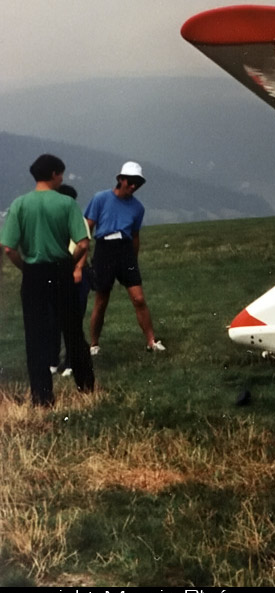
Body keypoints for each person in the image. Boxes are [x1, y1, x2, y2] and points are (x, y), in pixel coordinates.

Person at [0, 154, 95, 406]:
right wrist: (71, 262)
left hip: (33, 273)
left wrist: (25, 267)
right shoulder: (66, 203)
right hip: (61, 269)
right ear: (54, 174)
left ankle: (42, 396)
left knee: (36, 336)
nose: (62, 178)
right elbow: (83, 243)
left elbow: (8, 247)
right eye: (61, 174)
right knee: (73, 330)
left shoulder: (19, 204)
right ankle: (86, 388)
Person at [84, 161, 165, 353]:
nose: (133, 187)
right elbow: (88, 226)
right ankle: (94, 344)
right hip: (104, 249)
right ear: (121, 179)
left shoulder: (138, 208)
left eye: (137, 183)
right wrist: (84, 254)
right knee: (101, 300)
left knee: (138, 299)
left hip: (125, 251)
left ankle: (151, 341)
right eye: (130, 182)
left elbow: (135, 236)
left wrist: (132, 261)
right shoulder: (100, 198)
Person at [52, 184, 92, 377]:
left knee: (73, 318)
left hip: (75, 271)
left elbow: (84, 245)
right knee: (58, 318)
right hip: (59, 271)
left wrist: (77, 268)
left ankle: (71, 361)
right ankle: (58, 359)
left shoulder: (78, 219)